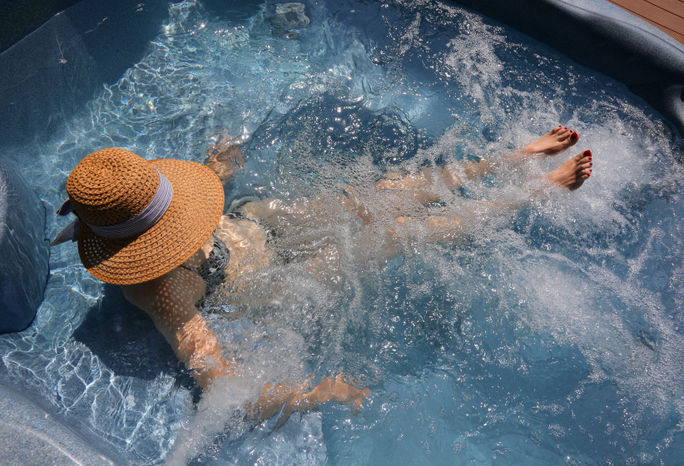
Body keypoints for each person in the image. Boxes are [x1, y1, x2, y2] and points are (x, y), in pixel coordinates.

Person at [51, 125, 591, 423]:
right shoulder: (161, 292)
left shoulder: (123, 204)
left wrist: (217, 171)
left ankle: (512, 158)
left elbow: (160, 208)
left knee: (378, 198)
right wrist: (319, 393)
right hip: (261, 283)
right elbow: (227, 395)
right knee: (397, 231)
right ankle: (537, 190)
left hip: (251, 225)